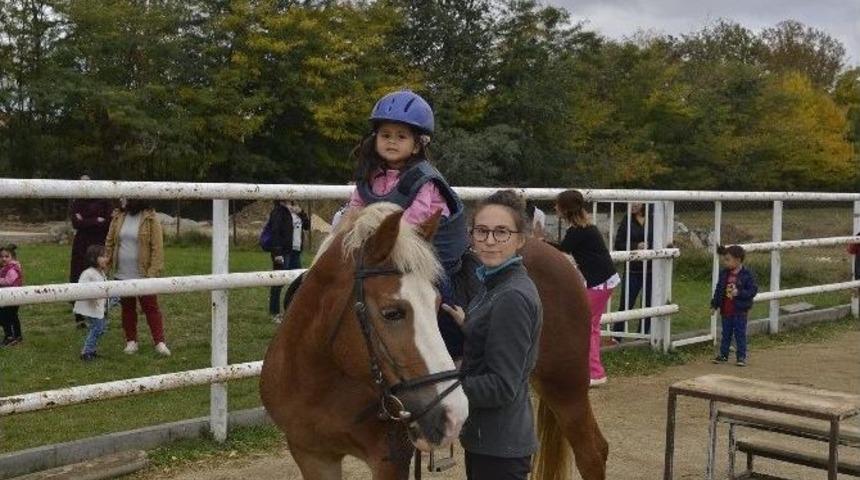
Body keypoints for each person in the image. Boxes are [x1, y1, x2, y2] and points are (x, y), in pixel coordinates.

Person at [347, 90, 471, 359]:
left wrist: (374, 231)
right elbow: (355, 209)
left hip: (429, 252)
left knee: (441, 289)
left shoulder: (424, 180)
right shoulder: (370, 177)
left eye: (401, 136)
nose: (392, 141)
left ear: (417, 145)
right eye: (386, 135)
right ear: (375, 138)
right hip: (389, 250)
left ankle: (453, 342)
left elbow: (414, 221)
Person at [441, 190, 542, 480]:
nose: (489, 240)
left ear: (520, 239)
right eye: (482, 231)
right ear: (471, 235)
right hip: (491, 439)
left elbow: (501, 386)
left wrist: (444, 389)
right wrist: (470, 324)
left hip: (500, 445)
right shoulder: (493, 284)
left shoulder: (511, 296)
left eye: (501, 232)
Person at [551, 190, 619, 387]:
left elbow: (563, 248)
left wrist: (541, 243)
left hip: (599, 283)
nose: (555, 208)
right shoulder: (585, 228)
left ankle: (595, 373)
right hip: (605, 281)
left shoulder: (577, 232)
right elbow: (565, 247)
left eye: (557, 205)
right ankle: (593, 371)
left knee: (586, 326)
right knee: (592, 326)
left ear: (565, 209)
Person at [104, 199, 171, 356]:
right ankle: (131, 341)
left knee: (151, 308)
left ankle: (159, 342)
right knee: (127, 309)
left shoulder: (150, 218)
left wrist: (152, 273)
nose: (122, 200)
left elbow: (157, 248)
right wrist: (106, 265)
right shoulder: (118, 217)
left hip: (144, 274)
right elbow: (110, 242)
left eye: (126, 197)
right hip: (122, 273)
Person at [68, 175, 113, 329]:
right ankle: (79, 317)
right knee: (79, 276)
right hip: (81, 245)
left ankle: (102, 313)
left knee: (100, 276)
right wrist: (96, 220)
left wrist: (85, 221)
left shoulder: (104, 200)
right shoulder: (77, 202)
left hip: (99, 244)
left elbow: (107, 222)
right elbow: (75, 222)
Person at [711, 245, 758, 367]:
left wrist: (739, 293)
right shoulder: (724, 274)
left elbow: (752, 291)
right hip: (726, 310)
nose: (725, 262)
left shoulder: (747, 275)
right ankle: (723, 354)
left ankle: (741, 356)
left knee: (739, 333)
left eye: (728, 259)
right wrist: (714, 304)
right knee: (725, 333)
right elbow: (719, 290)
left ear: (737, 260)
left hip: (740, 311)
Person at [613, 202, 654, 339]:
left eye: (636, 202)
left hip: (652, 269)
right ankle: (616, 335)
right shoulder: (627, 220)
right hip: (633, 269)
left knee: (648, 303)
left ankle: (642, 335)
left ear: (644, 203)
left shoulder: (654, 218)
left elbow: (661, 238)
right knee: (626, 302)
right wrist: (636, 246)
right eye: (630, 202)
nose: (632, 205)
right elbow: (618, 244)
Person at [267, 200, 310, 323]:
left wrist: (301, 213)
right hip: (283, 252)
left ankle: (294, 310)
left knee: (298, 281)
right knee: (278, 282)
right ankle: (274, 312)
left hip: (295, 251)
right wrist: (277, 253)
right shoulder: (278, 211)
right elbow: (275, 232)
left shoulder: (296, 209)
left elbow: (307, 226)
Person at [75, 245, 110, 361]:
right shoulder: (88, 273)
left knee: (100, 328)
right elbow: (82, 289)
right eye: (102, 256)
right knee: (97, 328)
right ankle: (86, 352)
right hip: (91, 308)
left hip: (100, 307)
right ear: (93, 258)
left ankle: (91, 350)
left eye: (106, 256)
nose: (105, 259)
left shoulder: (101, 273)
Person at [0, 244, 24, 346]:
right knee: (12, 316)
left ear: (12, 257)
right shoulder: (6, 267)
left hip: (12, 297)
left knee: (6, 316)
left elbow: (9, 281)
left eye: (6, 256)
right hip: (10, 297)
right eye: (1, 257)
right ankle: (17, 335)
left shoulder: (12, 268)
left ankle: (10, 336)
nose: (3, 259)